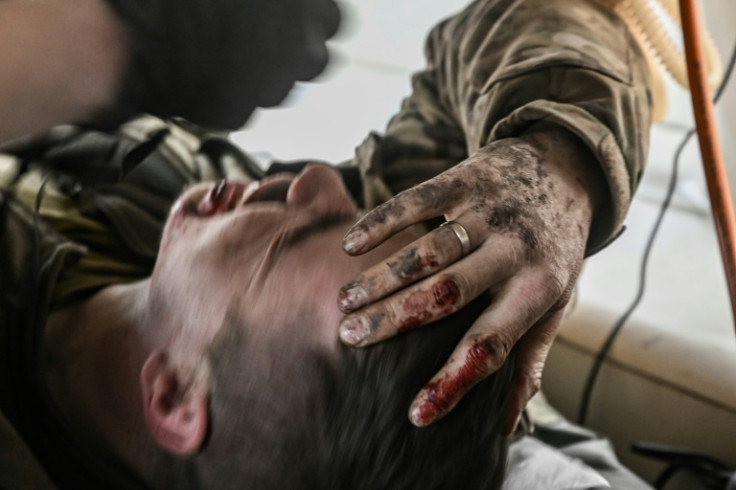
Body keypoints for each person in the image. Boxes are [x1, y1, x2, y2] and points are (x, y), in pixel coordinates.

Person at [1, 118, 516, 489]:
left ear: (177, 396)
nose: (316, 178)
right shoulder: (201, 195)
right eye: (360, 210)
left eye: (285, 242)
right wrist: (560, 159)